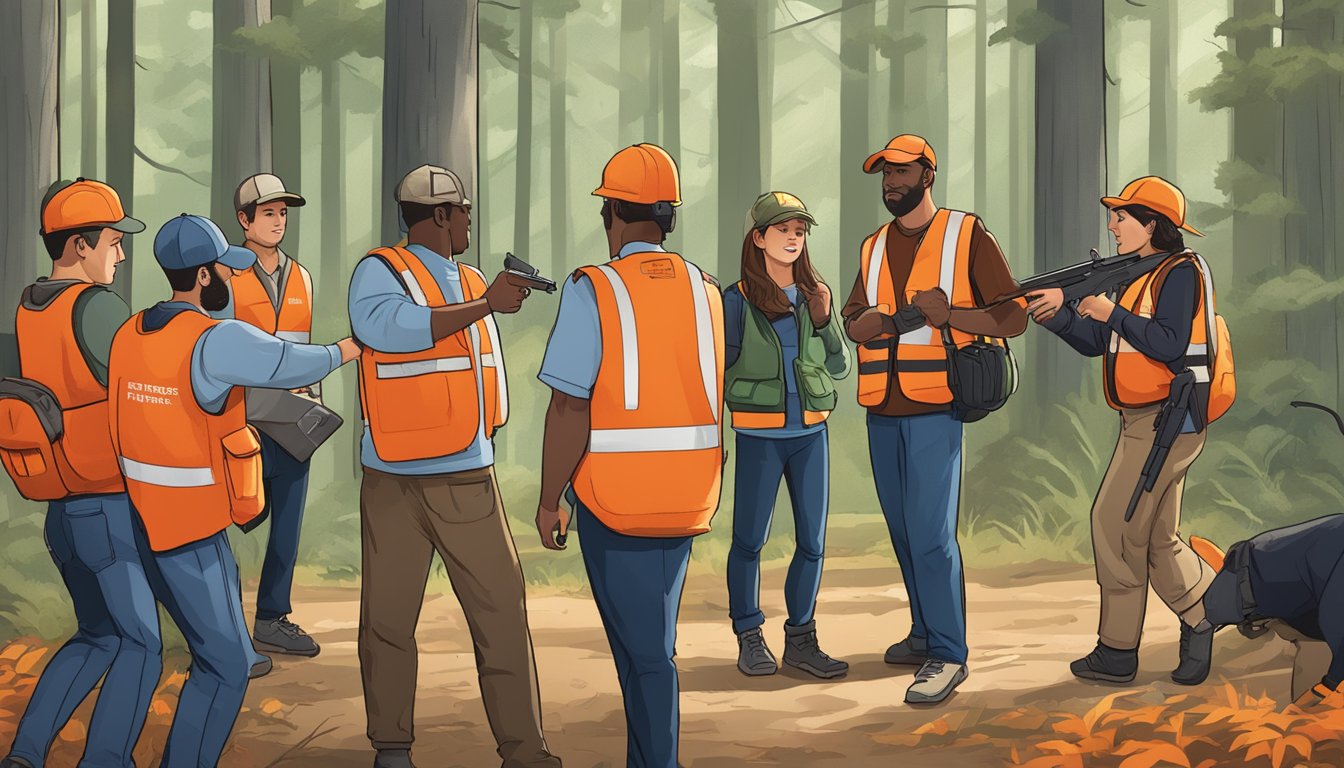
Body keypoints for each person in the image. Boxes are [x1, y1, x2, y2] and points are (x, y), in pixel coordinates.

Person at [107, 214, 358, 767]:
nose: (229, 278)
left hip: (136, 521)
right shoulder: (214, 339)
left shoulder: (131, 331)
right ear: (202, 276)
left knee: (172, 646)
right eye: (224, 268)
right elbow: (290, 362)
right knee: (224, 667)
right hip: (189, 529)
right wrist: (348, 347)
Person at [348, 164, 559, 768]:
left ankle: (524, 750)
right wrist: (483, 305)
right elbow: (383, 328)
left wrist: (489, 303)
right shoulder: (380, 271)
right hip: (393, 476)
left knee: (501, 610)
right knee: (388, 616)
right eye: (462, 210)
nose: (469, 220)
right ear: (439, 214)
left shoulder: (470, 278)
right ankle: (391, 748)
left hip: (467, 471)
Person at [535, 143, 724, 768]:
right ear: (668, 217)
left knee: (644, 655)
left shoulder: (595, 290)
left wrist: (548, 498)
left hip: (615, 500)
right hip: (690, 493)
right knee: (650, 645)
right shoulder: (707, 289)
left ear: (611, 213)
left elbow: (569, 407)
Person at [841, 134, 1027, 704]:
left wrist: (955, 315)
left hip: (935, 408)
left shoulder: (965, 235)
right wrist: (869, 323)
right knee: (903, 533)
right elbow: (851, 321)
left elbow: (1013, 317)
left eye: (901, 171)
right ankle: (923, 633)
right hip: (882, 408)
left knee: (930, 535)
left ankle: (948, 654)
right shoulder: (873, 246)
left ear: (928, 173)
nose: (890, 182)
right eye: (884, 174)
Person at [1026, 176, 1220, 686]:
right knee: (1158, 539)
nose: (1112, 225)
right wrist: (1058, 317)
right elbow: (1100, 343)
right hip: (1148, 417)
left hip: (1167, 418)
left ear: (1151, 224)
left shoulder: (1179, 272)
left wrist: (1109, 310)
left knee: (1113, 525)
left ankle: (1116, 652)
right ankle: (1212, 614)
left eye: (1121, 217)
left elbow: (1170, 343)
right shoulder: (1141, 275)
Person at [1, 179, 159, 768]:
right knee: (141, 642)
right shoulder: (96, 307)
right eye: (113, 242)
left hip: (61, 509)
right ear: (79, 246)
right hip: (106, 503)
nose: (120, 254)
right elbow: (140, 386)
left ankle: (25, 754)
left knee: (98, 636)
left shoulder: (29, 304)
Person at [722, 191, 851, 679]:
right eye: (782, 230)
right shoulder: (734, 301)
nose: (793, 239)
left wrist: (824, 318)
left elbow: (839, 367)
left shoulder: (815, 295)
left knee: (813, 543)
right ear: (758, 238)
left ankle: (801, 639)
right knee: (749, 541)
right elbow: (718, 372)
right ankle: (749, 636)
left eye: (799, 231)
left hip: (810, 434)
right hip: (758, 436)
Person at [224, 173, 322, 662]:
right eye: (268, 213)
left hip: (292, 420)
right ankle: (217, 623)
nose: (278, 222)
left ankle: (271, 618)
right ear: (244, 221)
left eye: (283, 212)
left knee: (288, 522)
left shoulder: (302, 276)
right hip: (242, 420)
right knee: (230, 516)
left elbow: (303, 347)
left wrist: (313, 402)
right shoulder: (223, 278)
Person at [1190, 515, 1344, 708]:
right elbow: (1337, 621)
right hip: (1248, 576)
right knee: (1207, 616)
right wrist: (1328, 686)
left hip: (1299, 590)